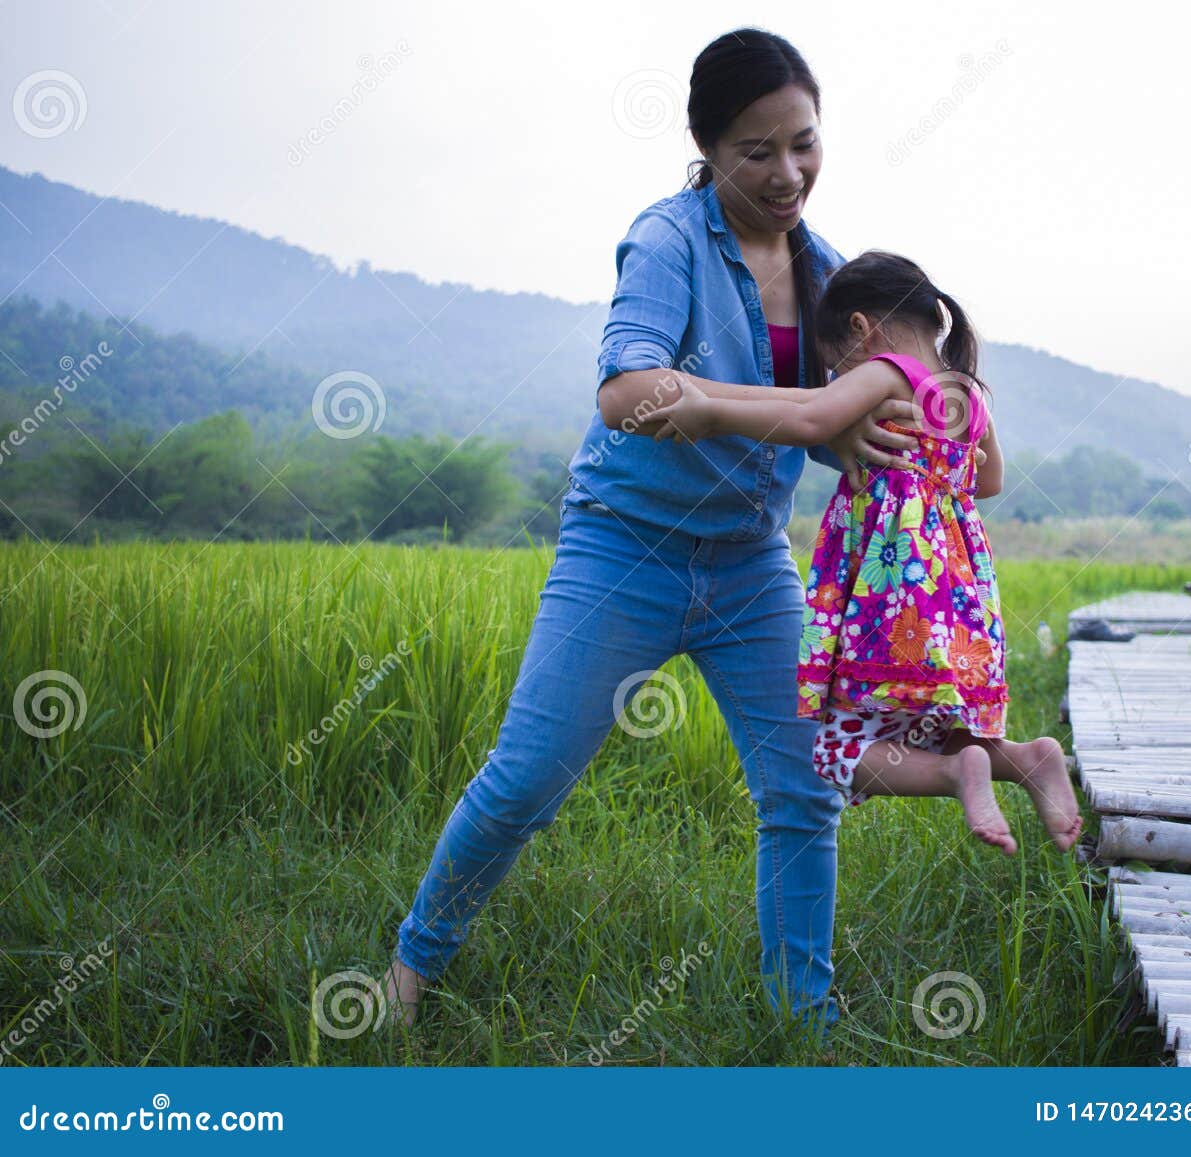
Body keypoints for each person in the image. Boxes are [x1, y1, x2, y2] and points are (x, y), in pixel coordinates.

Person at [383, 28, 921, 1031]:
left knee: (804, 787)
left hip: (751, 562)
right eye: (756, 151)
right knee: (525, 782)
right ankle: (411, 970)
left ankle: (802, 1016)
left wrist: (869, 436)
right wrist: (755, 408)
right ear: (705, 147)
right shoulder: (669, 238)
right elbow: (626, 392)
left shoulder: (830, 273)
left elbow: (829, 424)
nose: (786, 172)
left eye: (802, 142)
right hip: (622, 550)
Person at [647, 251, 1085, 854]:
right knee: (936, 730)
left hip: (893, 590)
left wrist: (710, 411)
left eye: (836, 366)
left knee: (835, 751)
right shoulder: (965, 392)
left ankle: (961, 775)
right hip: (954, 592)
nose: (839, 377)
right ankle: (1028, 761)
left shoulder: (885, 370)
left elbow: (811, 420)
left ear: (861, 328)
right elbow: (988, 483)